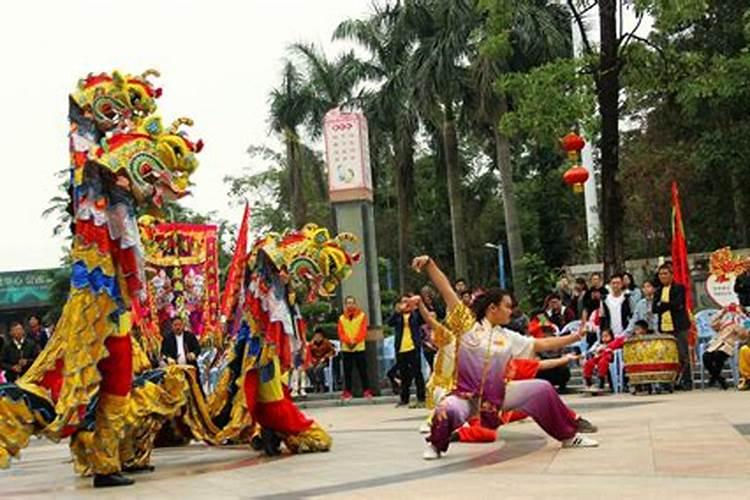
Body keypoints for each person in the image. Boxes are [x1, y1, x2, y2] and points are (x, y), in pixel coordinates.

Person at [412, 255, 597, 460]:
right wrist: (430, 264)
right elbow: (446, 289)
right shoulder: (466, 325)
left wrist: (574, 337)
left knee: (542, 389)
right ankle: (435, 446)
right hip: (466, 397)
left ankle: (569, 436)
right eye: (507, 306)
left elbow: (540, 344)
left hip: (498, 395)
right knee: (446, 409)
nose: (511, 310)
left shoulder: (508, 337)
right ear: (493, 308)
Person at [653, 263, 692, 390]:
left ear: (671, 275)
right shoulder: (658, 291)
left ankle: (686, 381)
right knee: (666, 355)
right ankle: (669, 381)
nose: (662, 276)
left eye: (665, 273)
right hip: (664, 327)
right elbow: (655, 308)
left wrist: (663, 305)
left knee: (682, 354)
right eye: (660, 274)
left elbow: (678, 304)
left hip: (679, 326)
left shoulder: (679, 288)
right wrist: (666, 305)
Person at [387, 294, 426, 407]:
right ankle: (404, 398)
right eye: (403, 302)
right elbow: (389, 322)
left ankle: (421, 398)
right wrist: (397, 312)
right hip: (401, 348)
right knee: (404, 374)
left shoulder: (415, 315)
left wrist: (417, 308)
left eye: (407, 301)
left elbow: (424, 320)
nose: (406, 304)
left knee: (417, 373)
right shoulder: (398, 316)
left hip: (413, 347)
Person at [702, 304, 749, 390]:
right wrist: (722, 312)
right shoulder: (724, 321)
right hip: (716, 344)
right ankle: (719, 378)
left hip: (728, 345)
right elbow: (712, 323)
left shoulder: (741, 322)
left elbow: (744, 336)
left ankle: (715, 378)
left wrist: (741, 317)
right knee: (706, 357)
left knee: (718, 356)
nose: (733, 312)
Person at [337, 296, 373, 401]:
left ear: (355, 304)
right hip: (346, 348)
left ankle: (367, 390)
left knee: (363, 370)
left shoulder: (361, 316)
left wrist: (355, 340)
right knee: (347, 371)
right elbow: (341, 332)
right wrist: (348, 341)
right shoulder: (341, 318)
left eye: (352, 303)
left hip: (359, 347)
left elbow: (363, 331)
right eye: (348, 303)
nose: (350, 305)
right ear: (345, 305)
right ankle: (347, 392)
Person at [306, 328, 336, 393]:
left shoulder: (326, 342)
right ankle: (315, 384)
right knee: (308, 369)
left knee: (319, 369)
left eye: (319, 336)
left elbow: (332, 351)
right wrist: (311, 360)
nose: (317, 338)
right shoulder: (311, 344)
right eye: (316, 336)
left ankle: (322, 385)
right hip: (314, 361)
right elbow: (309, 353)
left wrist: (325, 357)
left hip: (324, 361)